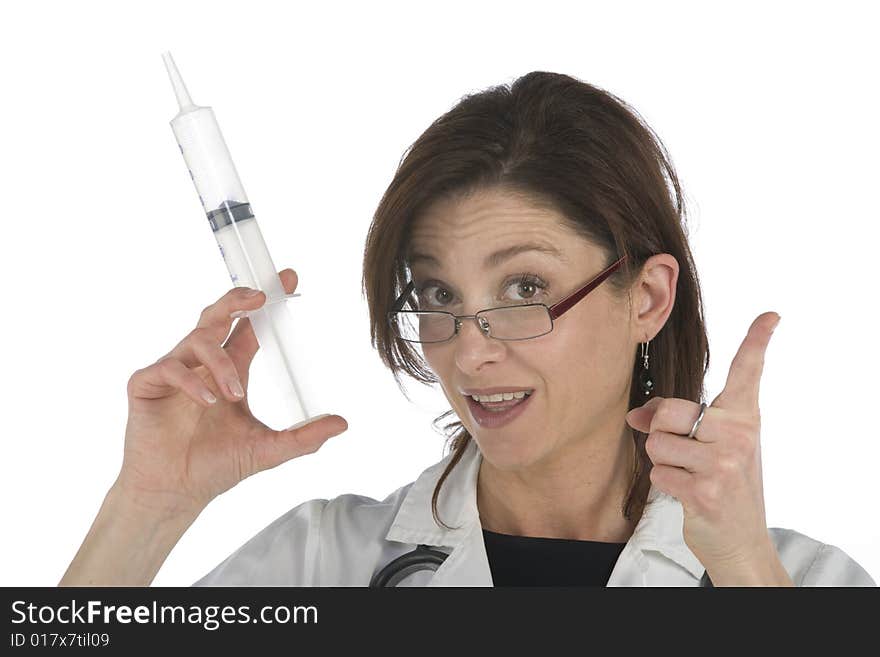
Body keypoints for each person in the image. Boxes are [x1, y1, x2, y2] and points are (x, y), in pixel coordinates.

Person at [60, 71, 874, 587]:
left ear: (648, 299)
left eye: (526, 285)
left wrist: (739, 572)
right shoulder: (326, 564)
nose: (470, 347)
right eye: (437, 292)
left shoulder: (802, 580)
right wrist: (148, 504)